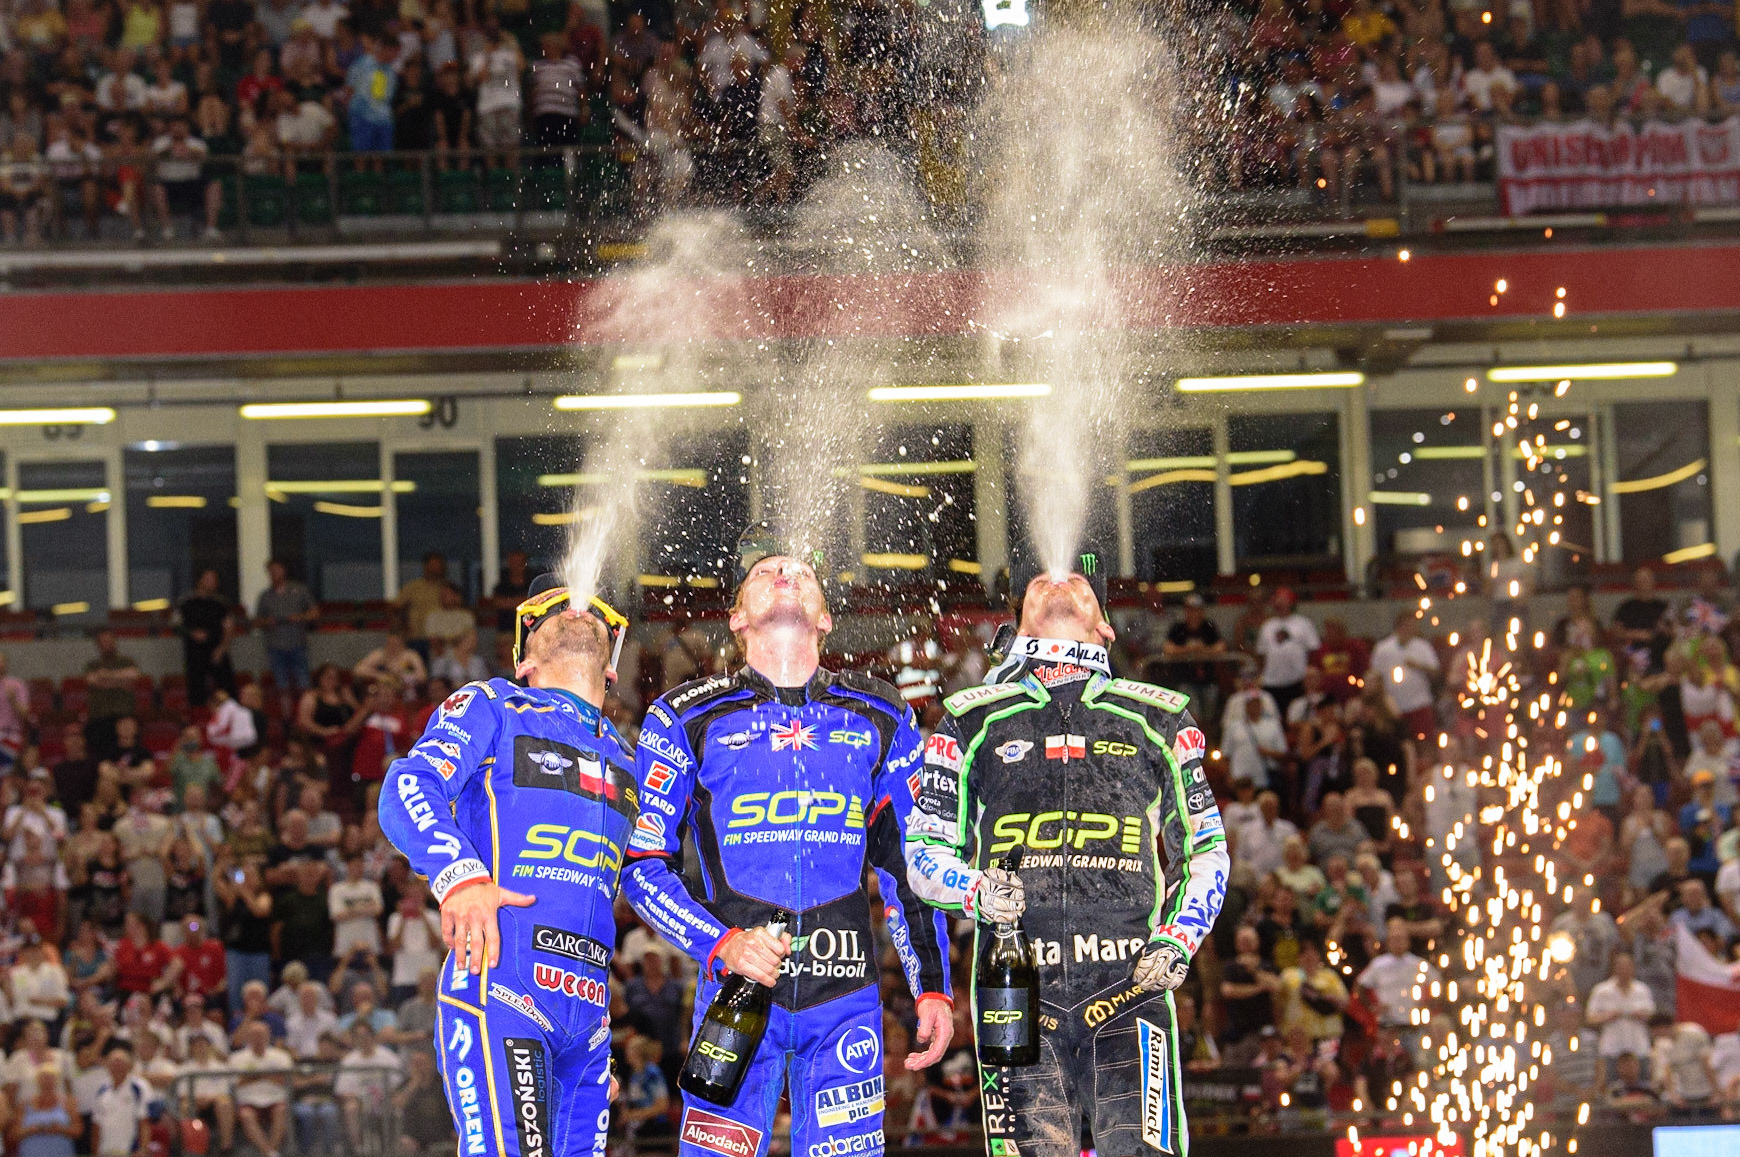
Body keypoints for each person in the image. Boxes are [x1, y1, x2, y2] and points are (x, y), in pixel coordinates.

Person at [621, 525, 954, 1157]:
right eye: (765, 570)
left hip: (847, 997)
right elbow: (641, 867)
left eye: (800, 570)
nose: (784, 574)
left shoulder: (882, 713)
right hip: (735, 994)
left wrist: (931, 985)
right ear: (737, 617)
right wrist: (721, 944)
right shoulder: (683, 715)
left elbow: (912, 864)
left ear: (826, 617)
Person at [905, 540, 1228, 1157]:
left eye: (1078, 583)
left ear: (1104, 625)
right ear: (1017, 622)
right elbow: (923, 852)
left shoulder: (1160, 718)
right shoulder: (967, 720)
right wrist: (975, 891)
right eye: (1038, 583)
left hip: (1133, 980)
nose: (1056, 581)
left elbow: (1208, 850)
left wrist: (1179, 938)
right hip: (1014, 991)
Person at [378, 574, 638, 1157]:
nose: (572, 610)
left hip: (589, 1026)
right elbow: (407, 786)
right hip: (504, 988)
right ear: (523, 659)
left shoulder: (630, 755)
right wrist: (459, 877)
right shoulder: (493, 701)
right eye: (548, 609)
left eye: (588, 607)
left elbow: (646, 879)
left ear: (613, 662)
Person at [1368, 611, 1439, 741]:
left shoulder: (1423, 647)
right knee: (1397, 741)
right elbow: (1374, 674)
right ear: (1400, 626)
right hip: (1393, 706)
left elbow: (1436, 672)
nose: (1413, 628)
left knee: (1424, 740)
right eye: (1409, 625)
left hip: (1420, 703)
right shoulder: (1383, 648)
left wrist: (1419, 666)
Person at [176, 569, 237, 720]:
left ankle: (228, 719)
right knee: (196, 691)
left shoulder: (221, 603)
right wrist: (191, 633)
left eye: (214, 580)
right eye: (208, 579)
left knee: (226, 689)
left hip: (217, 651)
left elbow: (229, 627)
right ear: (200, 580)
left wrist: (222, 649)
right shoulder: (185, 601)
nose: (212, 582)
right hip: (194, 653)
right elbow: (175, 625)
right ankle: (199, 722)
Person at [256, 560, 317, 705]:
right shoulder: (265, 596)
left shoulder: (299, 590)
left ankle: (306, 712)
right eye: (271, 571)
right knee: (281, 686)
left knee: (304, 683)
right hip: (276, 646)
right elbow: (257, 622)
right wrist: (267, 622)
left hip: (297, 644)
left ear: (284, 570)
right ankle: (286, 718)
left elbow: (315, 613)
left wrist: (300, 617)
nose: (274, 574)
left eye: (276, 570)